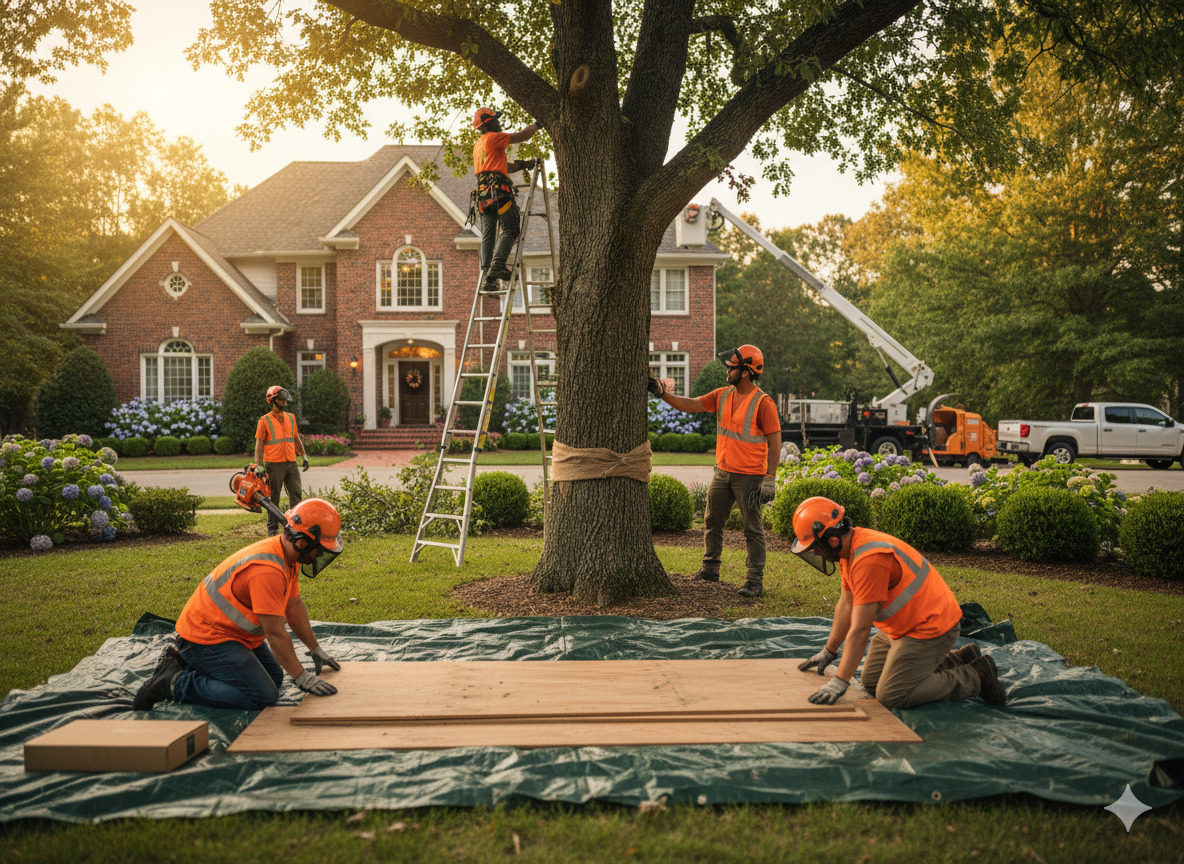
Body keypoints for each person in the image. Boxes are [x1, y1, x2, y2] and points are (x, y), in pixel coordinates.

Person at [790, 495, 1008, 708]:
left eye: (815, 547)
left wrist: (839, 681)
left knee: (892, 695)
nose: (817, 553)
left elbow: (861, 628)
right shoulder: (850, 551)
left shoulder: (869, 560)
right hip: (902, 626)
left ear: (832, 540)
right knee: (872, 682)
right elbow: (846, 603)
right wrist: (829, 651)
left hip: (930, 627)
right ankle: (959, 659)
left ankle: (976, 676)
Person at [132, 498, 345, 711]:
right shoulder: (268, 570)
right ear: (302, 542)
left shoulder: (287, 557)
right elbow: (275, 634)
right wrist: (302, 677)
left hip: (232, 635)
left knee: (275, 677)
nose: (320, 554)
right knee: (262, 695)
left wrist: (315, 649)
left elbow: (293, 606)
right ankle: (174, 683)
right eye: (320, 549)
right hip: (205, 637)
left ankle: (197, 666)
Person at [649, 345, 782, 597]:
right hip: (723, 473)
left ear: (746, 372)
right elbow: (691, 405)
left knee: (752, 529)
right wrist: (662, 393)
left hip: (749, 477)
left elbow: (775, 442)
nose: (727, 371)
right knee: (712, 521)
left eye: (731, 367)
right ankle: (710, 569)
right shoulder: (722, 395)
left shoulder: (763, 403)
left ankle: (755, 581)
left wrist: (770, 478)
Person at [472, 106, 540, 286]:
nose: (499, 124)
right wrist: (538, 124)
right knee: (510, 229)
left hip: (483, 196)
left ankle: (488, 277)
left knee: (488, 235)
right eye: (496, 120)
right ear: (488, 123)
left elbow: (500, 167)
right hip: (499, 193)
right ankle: (497, 266)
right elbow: (523, 136)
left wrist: (522, 165)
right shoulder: (494, 137)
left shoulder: (479, 145)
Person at [255, 385, 309, 537]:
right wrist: (259, 465)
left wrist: (303, 455)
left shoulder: (291, 418)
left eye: (285, 400)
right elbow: (259, 444)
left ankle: (296, 526)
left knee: (296, 493)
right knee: (274, 498)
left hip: (291, 462)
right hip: (273, 464)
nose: (284, 402)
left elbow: (295, 437)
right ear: (272, 400)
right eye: (280, 400)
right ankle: (272, 529)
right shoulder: (264, 420)